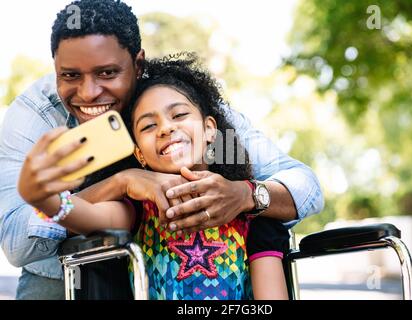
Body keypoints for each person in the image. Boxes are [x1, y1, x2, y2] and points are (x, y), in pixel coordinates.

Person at [0, 0, 324, 299]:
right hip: (59, 272)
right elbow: (21, 244)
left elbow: (305, 186)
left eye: (107, 73)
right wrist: (115, 183)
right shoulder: (36, 117)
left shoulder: (176, 97)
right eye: (70, 75)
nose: (89, 92)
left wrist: (247, 195)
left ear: (137, 64)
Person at [18, 54, 291, 299]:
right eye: (148, 125)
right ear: (139, 154)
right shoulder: (138, 212)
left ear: (210, 130)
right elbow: (84, 215)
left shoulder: (253, 220)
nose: (165, 128)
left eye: (179, 114)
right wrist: (44, 199)